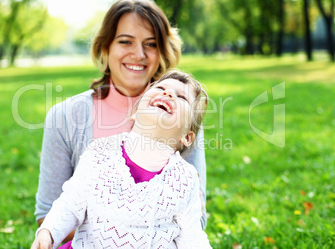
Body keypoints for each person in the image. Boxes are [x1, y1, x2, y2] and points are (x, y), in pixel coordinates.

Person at [34, 0, 208, 243]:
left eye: (150, 44)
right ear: (105, 47)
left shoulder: (182, 119)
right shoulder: (67, 119)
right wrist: (113, 235)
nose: (138, 54)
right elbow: (50, 212)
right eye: (125, 41)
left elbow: (194, 221)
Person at [31, 70, 211, 249]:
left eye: (182, 98)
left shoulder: (185, 179)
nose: (168, 93)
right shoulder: (100, 153)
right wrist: (49, 232)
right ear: (134, 113)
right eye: (161, 87)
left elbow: (192, 238)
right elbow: (70, 203)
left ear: (187, 138)